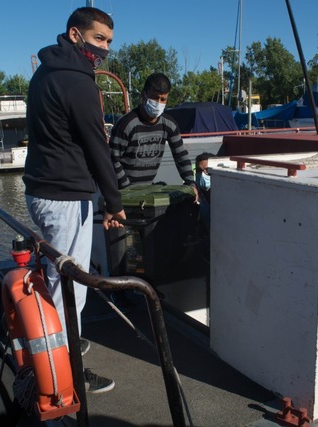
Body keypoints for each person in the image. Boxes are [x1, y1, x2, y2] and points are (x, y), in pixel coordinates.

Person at [23, 6, 126, 394]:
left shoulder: (44, 73)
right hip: (64, 197)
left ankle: (62, 346)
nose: (104, 49)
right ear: (74, 34)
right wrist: (114, 204)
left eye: (109, 43)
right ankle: (63, 369)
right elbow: (96, 147)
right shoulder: (79, 83)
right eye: (99, 39)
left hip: (42, 190)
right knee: (69, 285)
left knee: (58, 277)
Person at [109, 72, 198, 201]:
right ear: (143, 96)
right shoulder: (126, 124)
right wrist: (127, 189)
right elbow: (113, 160)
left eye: (163, 99)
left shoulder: (169, 124)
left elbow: (181, 156)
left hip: (148, 190)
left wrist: (190, 183)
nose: (158, 103)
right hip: (121, 193)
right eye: (155, 98)